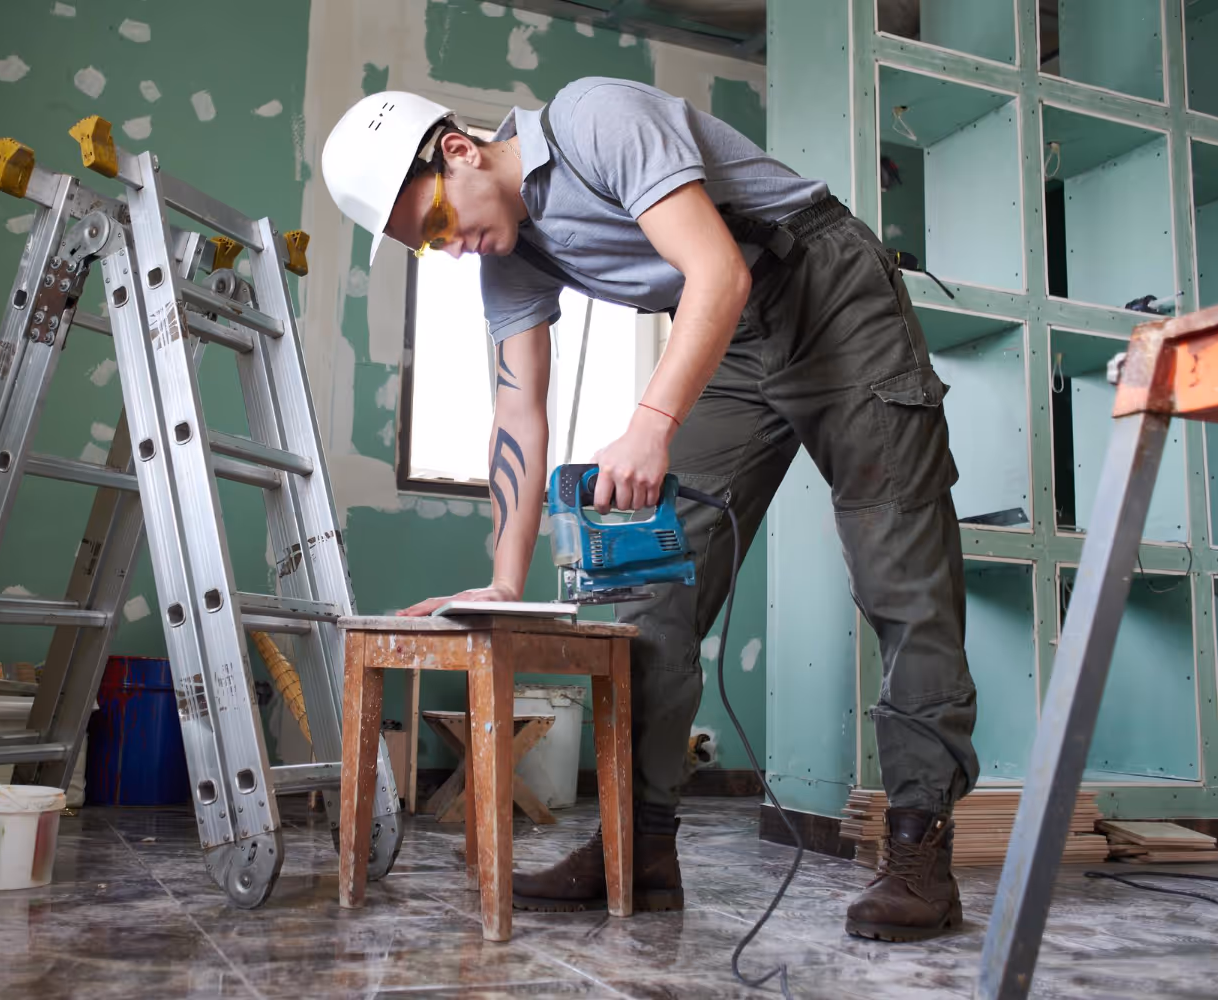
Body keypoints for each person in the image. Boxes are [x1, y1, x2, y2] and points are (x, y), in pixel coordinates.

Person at [321, 76, 979, 942]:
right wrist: (503, 582)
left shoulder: (595, 118)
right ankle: (639, 848)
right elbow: (518, 414)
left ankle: (919, 850)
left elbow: (718, 268)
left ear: (457, 151)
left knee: (900, 571)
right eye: (427, 247)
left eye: (437, 224)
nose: (449, 248)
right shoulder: (506, 257)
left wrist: (652, 423)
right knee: (649, 582)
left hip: (826, 290)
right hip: (737, 337)